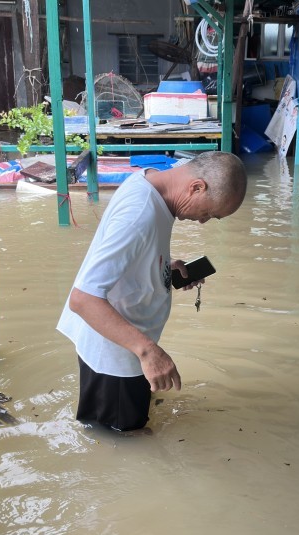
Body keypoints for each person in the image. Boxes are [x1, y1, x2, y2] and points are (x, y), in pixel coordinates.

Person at [56, 151, 247, 431]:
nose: (203, 221)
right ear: (196, 187)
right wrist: (148, 352)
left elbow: (129, 255)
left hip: (127, 348)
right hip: (116, 359)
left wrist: (163, 268)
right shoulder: (139, 214)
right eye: (208, 213)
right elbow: (83, 298)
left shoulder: (151, 182)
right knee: (120, 441)